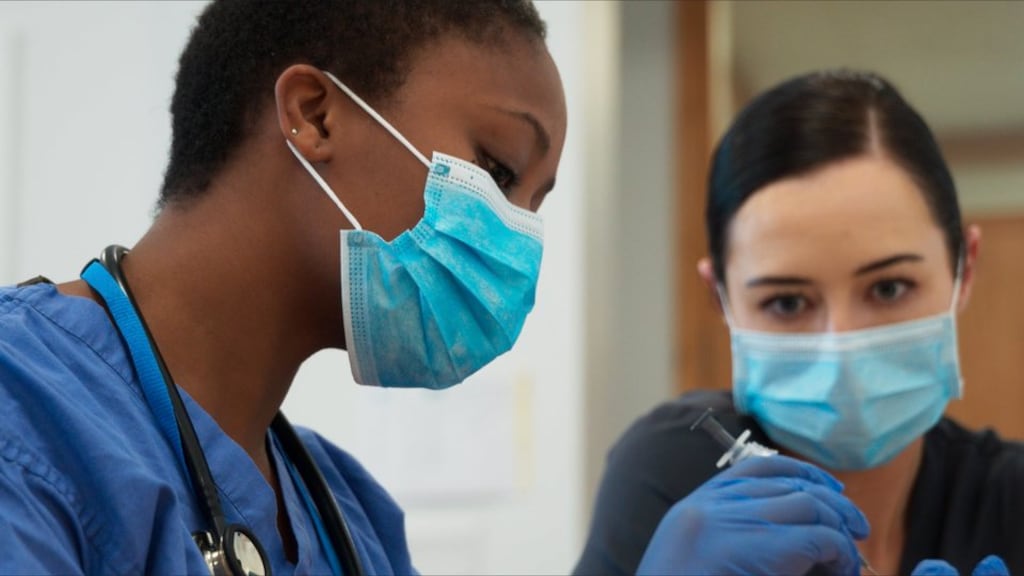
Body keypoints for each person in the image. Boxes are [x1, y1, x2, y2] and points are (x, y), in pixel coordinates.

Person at [0, 2, 889, 573]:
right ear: (315, 113)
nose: (514, 244)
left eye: (534, 206)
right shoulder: (26, 412)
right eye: (499, 170)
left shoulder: (345, 514)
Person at [576, 70, 1023, 576]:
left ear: (966, 269)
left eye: (888, 288)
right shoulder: (669, 478)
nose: (842, 348)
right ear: (720, 298)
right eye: (788, 302)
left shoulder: (1011, 498)